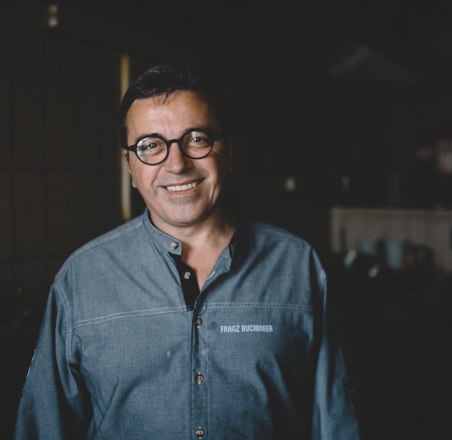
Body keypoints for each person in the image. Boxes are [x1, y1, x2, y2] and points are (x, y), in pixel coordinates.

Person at [14, 61, 361, 439]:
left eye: (196, 138)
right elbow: (43, 429)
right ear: (130, 165)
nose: (177, 164)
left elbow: (336, 422)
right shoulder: (80, 279)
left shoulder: (298, 265)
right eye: (151, 146)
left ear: (228, 152)